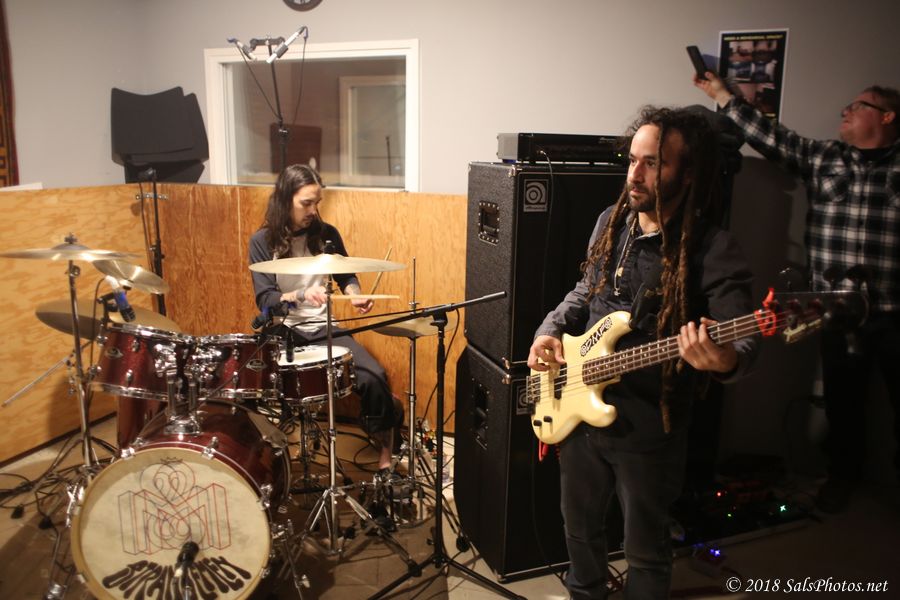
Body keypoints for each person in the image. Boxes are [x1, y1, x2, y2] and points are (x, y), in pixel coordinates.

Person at [527, 107, 759, 599]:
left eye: (652, 163)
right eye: (632, 160)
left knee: (646, 551)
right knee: (579, 530)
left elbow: (743, 337)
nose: (634, 174)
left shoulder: (711, 247)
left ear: (687, 173)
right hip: (577, 406)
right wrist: (548, 331)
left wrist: (725, 360)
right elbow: (584, 292)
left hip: (650, 425)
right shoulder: (610, 222)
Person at [694, 72, 900, 513]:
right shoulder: (826, 158)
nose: (846, 111)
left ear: (886, 116)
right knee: (843, 404)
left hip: (893, 311)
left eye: (858, 106)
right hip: (836, 311)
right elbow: (774, 139)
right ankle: (842, 478)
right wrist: (723, 96)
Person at [249, 164, 402, 480]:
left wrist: (355, 294)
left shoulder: (326, 234)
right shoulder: (262, 240)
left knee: (374, 376)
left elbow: (346, 275)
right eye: (306, 203)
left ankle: (386, 460)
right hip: (284, 330)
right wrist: (301, 294)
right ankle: (261, 461)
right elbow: (265, 299)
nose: (313, 210)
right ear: (285, 199)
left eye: (316, 202)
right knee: (251, 383)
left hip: (324, 327)